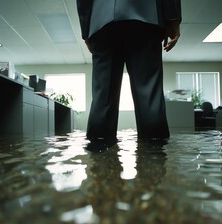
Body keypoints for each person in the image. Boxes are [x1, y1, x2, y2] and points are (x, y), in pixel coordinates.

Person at [77, 0, 182, 148]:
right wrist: (173, 18)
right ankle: (154, 160)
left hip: (101, 18)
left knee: (103, 97)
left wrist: (86, 29)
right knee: (149, 95)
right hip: (146, 15)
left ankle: (98, 161)